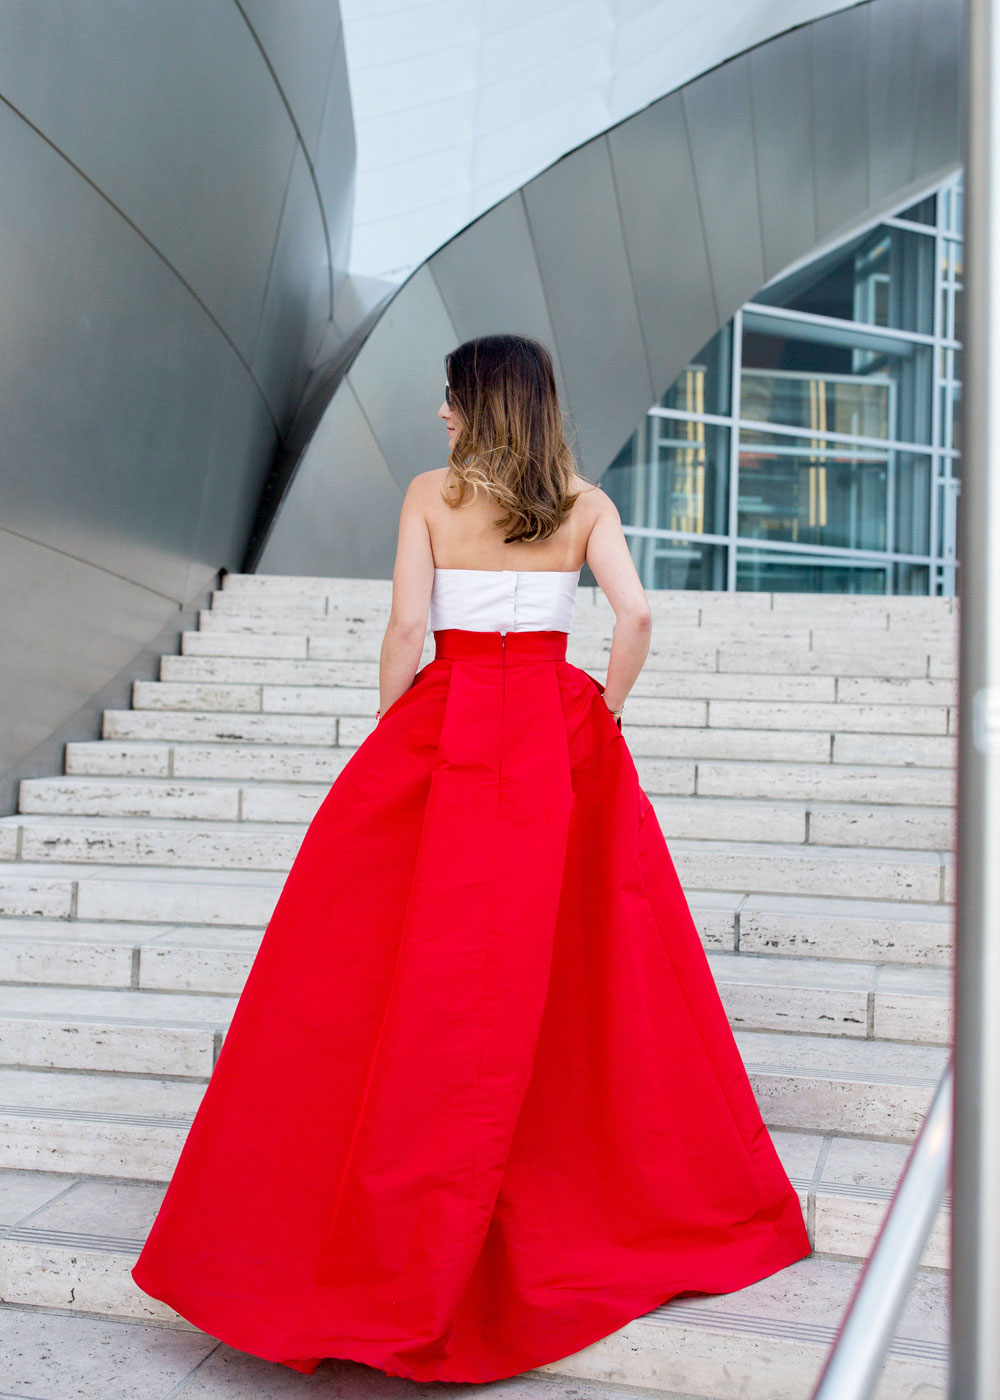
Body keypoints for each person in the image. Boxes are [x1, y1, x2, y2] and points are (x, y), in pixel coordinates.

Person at [131, 333, 811, 1383]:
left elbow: (408, 625)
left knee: (395, 966)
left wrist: (390, 734)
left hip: (445, 726)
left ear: (483, 403)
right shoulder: (583, 504)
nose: (440, 416)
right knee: (581, 959)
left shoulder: (428, 495)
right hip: (551, 729)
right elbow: (634, 613)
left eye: (450, 400)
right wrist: (604, 709)